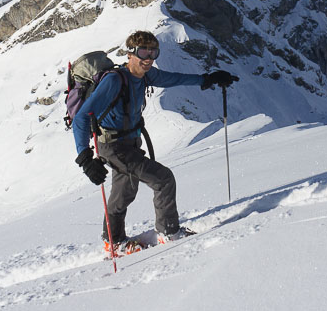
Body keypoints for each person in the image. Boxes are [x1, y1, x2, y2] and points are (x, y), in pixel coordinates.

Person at [72, 30, 236, 254]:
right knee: (163, 179)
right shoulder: (113, 80)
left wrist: (207, 79)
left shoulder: (147, 76)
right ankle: (169, 233)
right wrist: (85, 159)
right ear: (130, 54)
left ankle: (114, 241)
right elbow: (81, 117)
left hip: (129, 143)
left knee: (125, 191)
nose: (148, 58)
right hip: (113, 146)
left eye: (153, 52)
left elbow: (174, 78)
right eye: (142, 52)